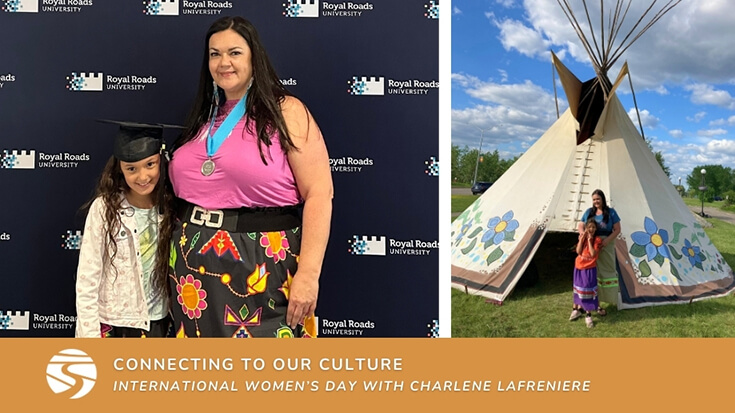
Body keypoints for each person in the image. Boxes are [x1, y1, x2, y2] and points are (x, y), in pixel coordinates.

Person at [168, 16, 333, 338]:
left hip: (260, 262)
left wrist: (309, 274)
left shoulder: (286, 111)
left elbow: (319, 193)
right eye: (214, 54)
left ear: (254, 57)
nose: (223, 62)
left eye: (234, 52)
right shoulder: (203, 115)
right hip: (191, 266)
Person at [75, 121, 175, 338]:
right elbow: (87, 278)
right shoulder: (104, 209)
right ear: (119, 169)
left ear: (161, 161)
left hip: (158, 320)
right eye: (131, 168)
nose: (142, 177)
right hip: (114, 321)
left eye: (150, 164)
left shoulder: (171, 207)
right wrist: (89, 335)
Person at [578, 189, 621, 313]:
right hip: (591, 244)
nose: (596, 201)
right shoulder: (589, 212)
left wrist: (607, 240)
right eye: (594, 199)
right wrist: (583, 235)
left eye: (598, 199)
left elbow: (617, 229)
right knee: (593, 272)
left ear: (602, 199)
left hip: (606, 244)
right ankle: (595, 303)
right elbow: (581, 224)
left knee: (608, 270)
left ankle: (609, 298)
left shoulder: (611, 212)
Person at [570, 218, 602, 328]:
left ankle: (588, 315)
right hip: (579, 267)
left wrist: (589, 240)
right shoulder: (582, 238)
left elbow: (593, 254)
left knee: (588, 292)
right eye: (589, 227)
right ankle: (576, 309)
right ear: (586, 228)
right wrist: (582, 239)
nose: (591, 229)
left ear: (596, 228)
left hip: (589, 268)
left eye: (593, 227)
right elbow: (578, 251)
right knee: (577, 289)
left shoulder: (597, 240)